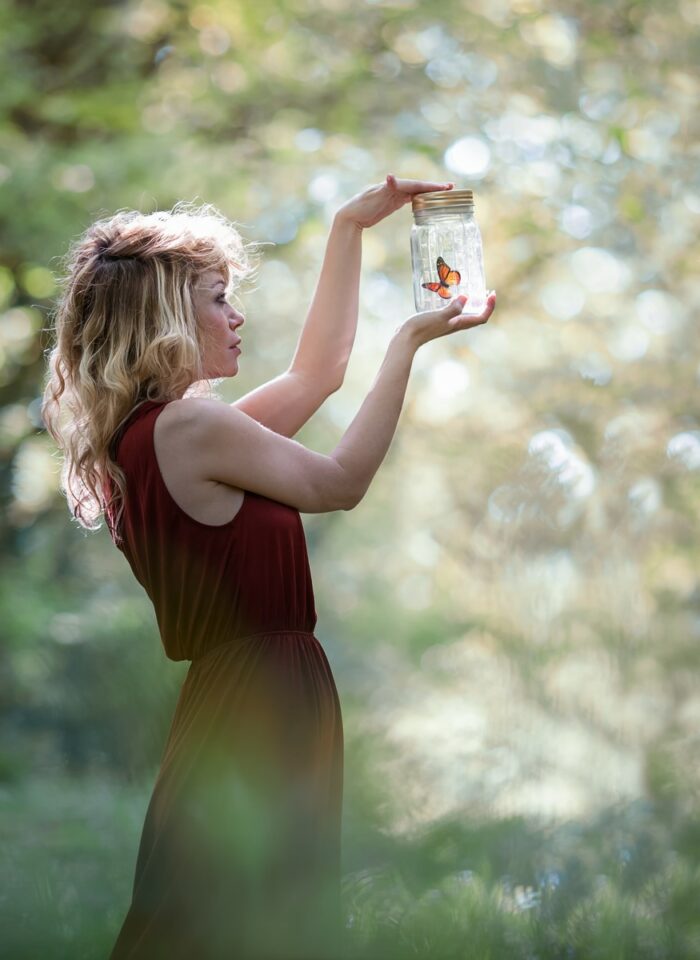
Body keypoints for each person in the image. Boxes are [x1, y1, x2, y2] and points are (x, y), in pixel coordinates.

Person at [41, 175, 497, 960]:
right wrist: (406, 346)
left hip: (239, 696)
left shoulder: (159, 437)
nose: (236, 313)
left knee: (221, 919)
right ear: (166, 317)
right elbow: (340, 483)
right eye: (218, 297)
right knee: (238, 924)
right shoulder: (190, 427)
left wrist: (349, 228)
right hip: (261, 699)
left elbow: (316, 373)